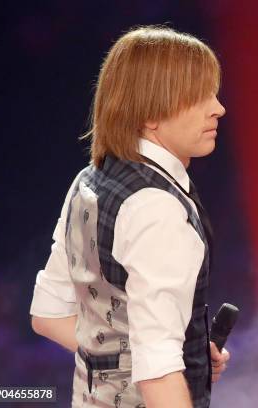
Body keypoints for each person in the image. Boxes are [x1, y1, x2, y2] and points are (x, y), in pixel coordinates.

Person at [29, 26, 229, 408]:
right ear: (151, 114)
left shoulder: (89, 181)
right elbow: (157, 371)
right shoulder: (157, 207)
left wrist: (184, 355)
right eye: (200, 96)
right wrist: (169, 361)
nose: (218, 108)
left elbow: (49, 315)